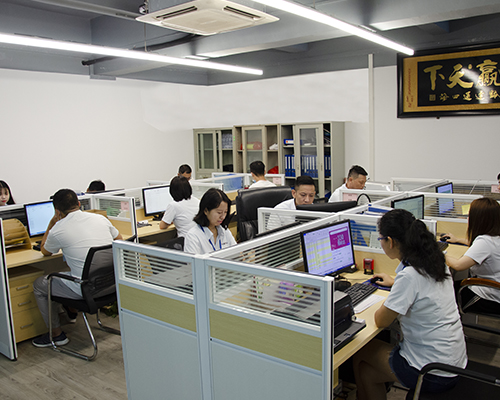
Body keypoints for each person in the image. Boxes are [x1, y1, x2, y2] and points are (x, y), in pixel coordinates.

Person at [353, 209, 467, 399]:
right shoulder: (436, 261)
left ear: (390, 241)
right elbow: (421, 288)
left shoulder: (409, 277)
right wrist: (395, 283)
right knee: (367, 373)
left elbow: (381, 321)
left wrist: (394, 291)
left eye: (380, 239)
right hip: (452, 361)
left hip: (431, 371)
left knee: (360, 352)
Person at [32, 189, 123, 348]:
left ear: (57, 211)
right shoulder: (100, 219)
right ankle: (71, 311)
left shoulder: (58, 229)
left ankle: (56, 335)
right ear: (79, 204)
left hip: (86, 289)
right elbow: (119, 240)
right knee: (67, 272)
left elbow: (45, 251)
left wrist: (51, 224)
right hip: (111, 285)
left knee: (40, 284)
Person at [444, 197, 500, 314]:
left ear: (479, 219)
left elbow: (458, 265)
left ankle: (453, 322)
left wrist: (438, 253)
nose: (468, 219)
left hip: (489, 297)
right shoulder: (494, 237)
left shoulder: (485, 242)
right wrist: (458, 239)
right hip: (495, 291)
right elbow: (481, 247)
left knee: (444, 289)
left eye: (470, 216)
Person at [184, 188, 236, 254]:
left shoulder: (224, 231)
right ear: (206, 211)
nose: (223, 217)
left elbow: (236, 252)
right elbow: (193, 260)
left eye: (225, 212)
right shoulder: (193, 236)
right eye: (219, 213)